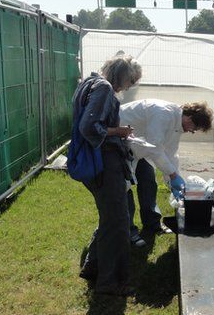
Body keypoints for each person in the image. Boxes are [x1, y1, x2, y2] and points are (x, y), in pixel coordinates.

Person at [75, 55, 142, 297]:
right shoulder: (103, 88)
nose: (130, 86)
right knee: (118, 223)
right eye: (131, 80)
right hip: (104, 163)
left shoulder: (89, 83)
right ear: (122, 75)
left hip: (99, 163)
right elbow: (89, 127)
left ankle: (93, 268)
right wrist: (119, 131)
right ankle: (110, 283)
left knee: (110, 219)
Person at [119, 99, 213, 245]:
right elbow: (154, 149)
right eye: (194, 128)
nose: (192, 131)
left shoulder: (177, 123)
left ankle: (152, 224)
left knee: (149, 183)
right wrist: (173, 175)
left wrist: (175, 183)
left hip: (139, 147)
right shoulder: (163, 113)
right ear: (189, 118)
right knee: (124, 189)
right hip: (119, 144)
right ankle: (129, 232)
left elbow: (170, 153)